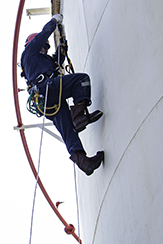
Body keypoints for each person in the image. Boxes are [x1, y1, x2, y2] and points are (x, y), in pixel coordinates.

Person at [21, 14, 104, 175]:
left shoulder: (45, 60)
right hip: (47, 88)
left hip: (48, 98)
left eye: (47, 47)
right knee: (81, 79)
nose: (45, 49)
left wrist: (62, 41)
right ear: (34, 44)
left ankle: (83, 162)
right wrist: (54, 22)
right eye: (44, 46)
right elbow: (44, 34)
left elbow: (59, 59)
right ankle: (78, 116)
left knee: (68, 131)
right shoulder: (29, 54)